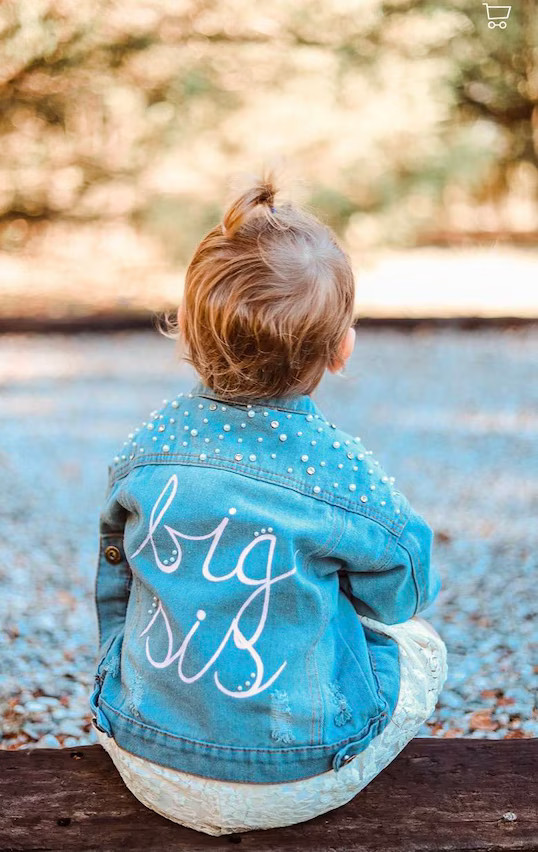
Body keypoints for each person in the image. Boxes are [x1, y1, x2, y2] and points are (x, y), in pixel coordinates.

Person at [90, 167, 448, 836]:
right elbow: (404, 591)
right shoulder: (340, 470)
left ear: (190, 339)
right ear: (340, 349)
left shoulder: (147, 448)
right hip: (301, 774)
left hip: (144, 757)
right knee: (420, 646)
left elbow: (116, 580)